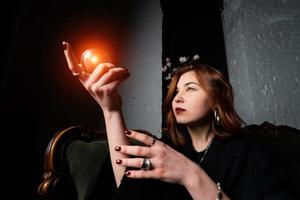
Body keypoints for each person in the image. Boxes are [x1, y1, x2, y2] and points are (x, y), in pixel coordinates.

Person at [62, 41, 295, 200]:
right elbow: (130, 186)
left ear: (216, 100)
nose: (178, 97)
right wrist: (111, 110)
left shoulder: (253, 151)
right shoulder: (168, 149)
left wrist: (190, 175)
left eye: (190, 89)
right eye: (175, 92)